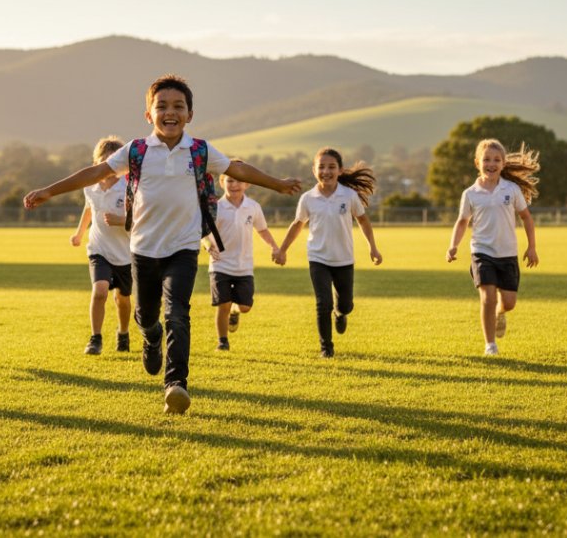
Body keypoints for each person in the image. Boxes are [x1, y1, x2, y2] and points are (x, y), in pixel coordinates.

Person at [24, 74, 302, 414]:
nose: (170, 112)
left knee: (179, 315)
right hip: (142, 250)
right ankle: (151, 338)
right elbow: (96, 173)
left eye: (178, 106)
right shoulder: (137, 151)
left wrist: (277, 184)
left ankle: (176, 384)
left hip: (183, 249)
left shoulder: (199, 150)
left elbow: (237, 168)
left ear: (190, 113)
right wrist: (49, 191)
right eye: (162, 106)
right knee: (146, 317)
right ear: (148, 115)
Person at [273, 148, 382, 358]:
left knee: (345, 305)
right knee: (323, 302)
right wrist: (282, 249)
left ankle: (341, 314)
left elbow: (363, 220)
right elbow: (297, 224)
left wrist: (373, 247)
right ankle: (326, 348)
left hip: (344, 259)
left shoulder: (349, 196)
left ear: (340, 170)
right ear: (314, 171)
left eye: (331, 167)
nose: (326, 171)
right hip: (318, 258)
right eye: (321, 167)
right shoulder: (308, 198)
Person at [446, 139, 539, 356]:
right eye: (486, 159)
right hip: (481, 252)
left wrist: (532, 247)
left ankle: (500, 313)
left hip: (507, 254)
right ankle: (490, 345)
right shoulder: (470, 193)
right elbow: (462, 221)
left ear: (504, 163)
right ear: (477, 162)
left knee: (508, 302)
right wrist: (453, 246)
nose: (491, 163)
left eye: (496, 160)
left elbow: (526, 217)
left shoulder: (512, 189)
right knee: (487, 297)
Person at [70, 136, 133, 355]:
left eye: (115, 161)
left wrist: (120, 221)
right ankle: (95, 338)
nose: (110, 166)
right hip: (99, 249)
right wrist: (79, 234)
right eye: (105, 161)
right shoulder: (91, 187)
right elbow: (89, 209)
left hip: (126, 254)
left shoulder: (130, 187)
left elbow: (142, 223)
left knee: (123, 300)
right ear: (97, 164)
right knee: (100, 292)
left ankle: (123, 332)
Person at [204, 169, 279, 352]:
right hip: (220, 264)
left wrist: (274, 247)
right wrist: (208, 245)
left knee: (245, 306)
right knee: (223, 305)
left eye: (239, 181)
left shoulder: (253, 207)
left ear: (247, 184)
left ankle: (235, 311)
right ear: (222, 183)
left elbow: (262, 230)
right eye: (229, 181)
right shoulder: (216, 207)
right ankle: (223, 342)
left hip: (244, 267)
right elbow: (204, 232)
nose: (234, 185)